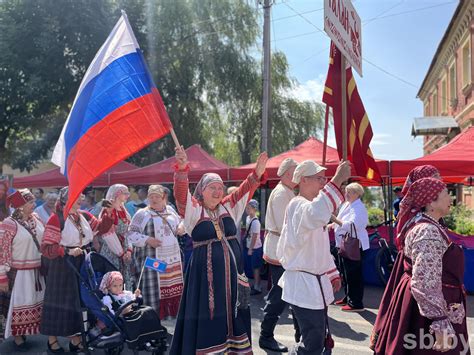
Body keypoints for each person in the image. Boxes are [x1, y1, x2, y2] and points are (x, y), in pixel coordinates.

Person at [170, 146, 267, 355]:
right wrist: (182, 168)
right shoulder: (194, 211)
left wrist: (257, 173)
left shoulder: (228, 207)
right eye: (211, 188)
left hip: (234, 277)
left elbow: (245, 190)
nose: (217, 192)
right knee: (210, 316)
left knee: (235, 313)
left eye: (220, 188)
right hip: (206, 280)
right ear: (202, 191)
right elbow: (180, 195)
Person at [373, 178, 469, 354]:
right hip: (429, 315)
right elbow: (424, 281)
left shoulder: (428, 225)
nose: (451, 198)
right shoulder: (427, 231)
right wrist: (439, 320)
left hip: (433, 306)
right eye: (446, 194)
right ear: (431, 202)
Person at [276, 159, 351, 354]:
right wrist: (338, 179)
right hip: (303, 286)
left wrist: (332, 272)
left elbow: (321, 248)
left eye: (324, 179)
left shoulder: (310, 208)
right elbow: (315, 213)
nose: (323, 183)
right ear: (303, 180)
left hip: (313, 284)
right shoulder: (297, 205)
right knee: (313, 343)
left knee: (316, 340)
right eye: (319, 178)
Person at [370, 165, 442, 350]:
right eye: (435, 178)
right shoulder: (421, 222)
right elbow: (424, 277)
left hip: (414, 276)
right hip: (420, 282)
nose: (439, 182)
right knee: (416, 335)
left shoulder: (424, 215)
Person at [40, 187, 113, 353]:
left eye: (80, 196)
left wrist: (107, 211)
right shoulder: (57, 218)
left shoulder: (84, 215)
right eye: (77, 197)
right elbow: (46, 248)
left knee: (79, 302)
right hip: (63, 265)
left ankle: (76, 339)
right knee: (60, 303)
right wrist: (66, 251)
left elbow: (102, 228)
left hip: (82, 262)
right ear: (67, 199)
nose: (81, 199)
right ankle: (52, 341)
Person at [127, 185, 185, 319]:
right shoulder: (142, 213)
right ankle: (152, 321)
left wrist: (182, 227)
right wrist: (147, 239)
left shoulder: (170, 210)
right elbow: (130, 233)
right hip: (152, 260)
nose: (153, 199)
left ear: (164, 197)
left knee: (172, 289)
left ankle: (169, 318)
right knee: (152, 291)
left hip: (171, 260)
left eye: (157, 196)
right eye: (151, 196)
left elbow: (181, 222)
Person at [259, 157, 298, 353]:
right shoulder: (283, 193)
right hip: (281, 250)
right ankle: (266, 336)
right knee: (279, 294)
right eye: (296, 171)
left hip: (283, 249)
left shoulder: (287, 191)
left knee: (288, 293)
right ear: (289, 174)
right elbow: (288, 226)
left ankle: (299, 336)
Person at [0, 189, 45, 348]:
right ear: (19, 206)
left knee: (34, 302)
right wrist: (2, 277)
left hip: (37, 271)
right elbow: (2, 251)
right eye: (30, 202)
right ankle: (17, 335)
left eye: (33, 201)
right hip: (19, 274)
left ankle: (27, 331)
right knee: (19, 304)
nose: (34, 204)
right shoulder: (9, 224)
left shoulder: (37, 219)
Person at [331, 182, 369, 312]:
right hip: (345, 244)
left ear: (357, 194)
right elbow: (343, 222)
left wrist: (334, 220)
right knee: (346, 273)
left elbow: (353, 224)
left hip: (354, 245)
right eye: (346, 191)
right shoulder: (349, 204)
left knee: (354, 274)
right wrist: (332, 224)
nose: (346, 194)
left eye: (349, 192)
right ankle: (349, 298)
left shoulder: (359, 208)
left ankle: (356, 303)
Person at [97, 184, 133, 290]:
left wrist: (129, 250)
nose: (127, 195)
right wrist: (120, 253)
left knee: (124, 279)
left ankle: (126, 302)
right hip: (112, 250)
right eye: (125, 193)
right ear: (117, 194)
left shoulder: (123, 210)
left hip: (124, 250)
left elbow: (128, 231)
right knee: (113, 279)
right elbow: (108, 234)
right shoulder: (108, 211)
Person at [244, 199, 263, 295]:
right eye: (247, 208)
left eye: (249, 208)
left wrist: (250, 249)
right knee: (253, 267)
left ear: (254, 209)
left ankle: (257, 287)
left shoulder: (256, 222)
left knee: (256, 268)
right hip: (250, 246)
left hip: (255, 248)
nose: (247, 210)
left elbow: (255, 236)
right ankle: (256, 284)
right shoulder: (248, 218)